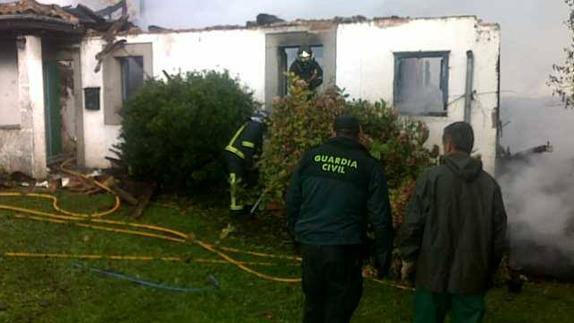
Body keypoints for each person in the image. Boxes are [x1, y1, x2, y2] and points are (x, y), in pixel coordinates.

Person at [286, 115, 393, 323]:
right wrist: (382, 256)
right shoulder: (369, 166)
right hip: (344, 247)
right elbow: (381, 216)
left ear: (332, 131)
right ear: (359, 134)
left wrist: (295, 233)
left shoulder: (311, 157)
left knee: (313, 304)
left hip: (311, 243)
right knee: (340, 306)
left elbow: (292, 199)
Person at [399, 122, 508, 323]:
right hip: (472, 276)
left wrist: (409, 258)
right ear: (470, 145)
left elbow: (413, 223)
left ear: (448, 145)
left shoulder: (431, 178)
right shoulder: (490, 185)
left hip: (431, 274)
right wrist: (488, 270)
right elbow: (499, 237)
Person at [224, 110, 268, 218]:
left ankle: (244, 207)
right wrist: (250, 164)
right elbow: (248, 145)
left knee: (245, 182)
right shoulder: (255, 126)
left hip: (238, 156)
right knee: (236, 183)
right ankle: (236, 212)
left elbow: (254, 147)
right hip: (236, 156)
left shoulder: (252, 125)